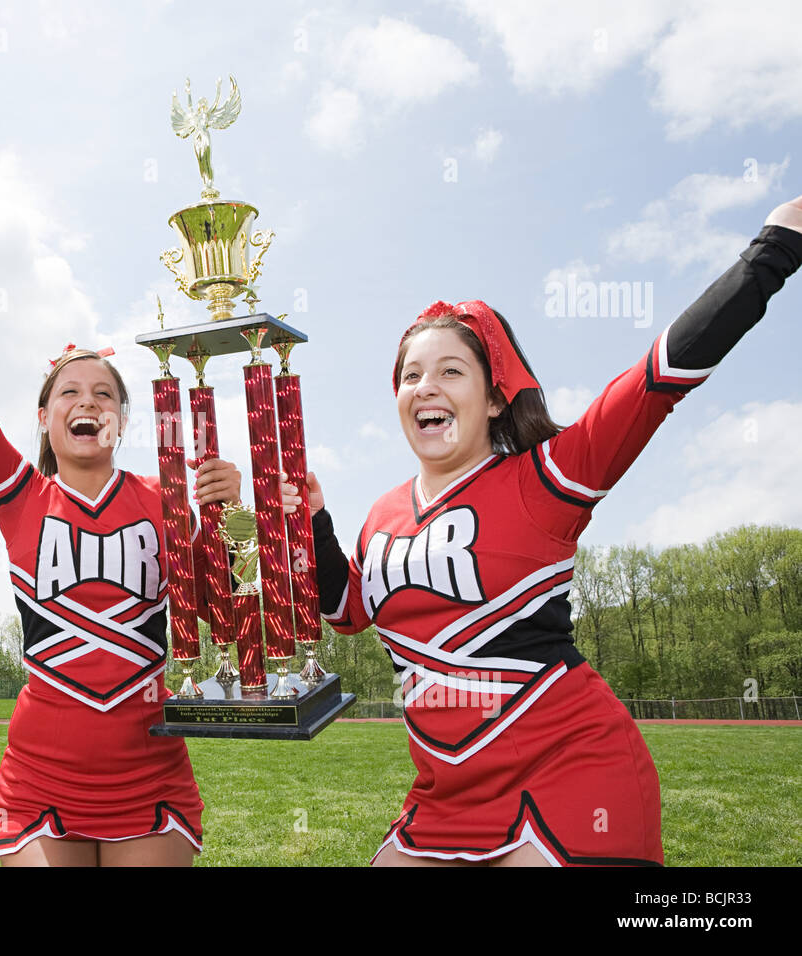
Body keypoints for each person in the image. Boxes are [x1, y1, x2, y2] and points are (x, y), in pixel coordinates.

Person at [286, 196, 802, 866]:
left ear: (496, 397)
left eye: (450, 371)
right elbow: (348, 611)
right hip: (443, 795)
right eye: (410, 375)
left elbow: (658, 378)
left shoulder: (549, 478)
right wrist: (318, 522)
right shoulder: (384, 513)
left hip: (573, 774)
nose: (425, 387)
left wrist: (775, 250)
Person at [0, 221, 241, 866]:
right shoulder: (19, 495)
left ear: (121, 419)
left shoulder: (166, 500)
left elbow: (215, 612)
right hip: (39, 781)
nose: (88, 402)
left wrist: (227, 522)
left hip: (152, 775)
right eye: (70, 392)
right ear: (44, 416)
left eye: (104, 394)